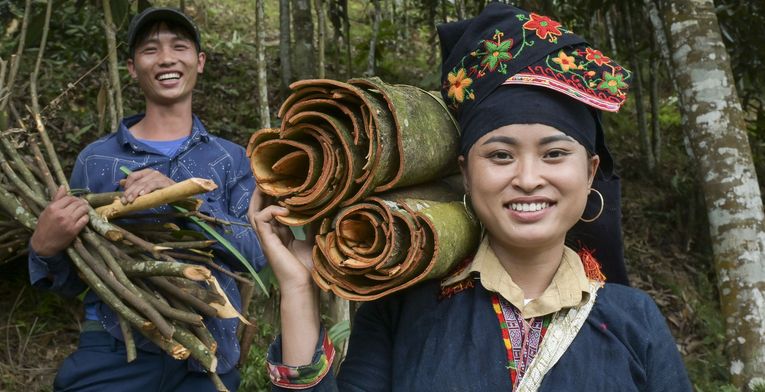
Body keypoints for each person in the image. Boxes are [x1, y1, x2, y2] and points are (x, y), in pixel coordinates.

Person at [249, 2, 692, 391]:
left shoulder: (635, 321)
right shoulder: (402, 306)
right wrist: (296, 290)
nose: (528, 178)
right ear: (465, 172)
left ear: (590, 171)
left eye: (555, 153)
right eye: (500, 155)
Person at [28, 7, 264, 391]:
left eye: (180, 47)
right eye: (151, 49)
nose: (167, 58)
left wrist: (186, 202)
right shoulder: (98, 160)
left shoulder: (231, 159)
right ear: (132, 68)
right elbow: (71, 280)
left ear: (199, 62)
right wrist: (43, 248)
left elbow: (254, 256)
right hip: (115, 345)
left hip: (208, 354)